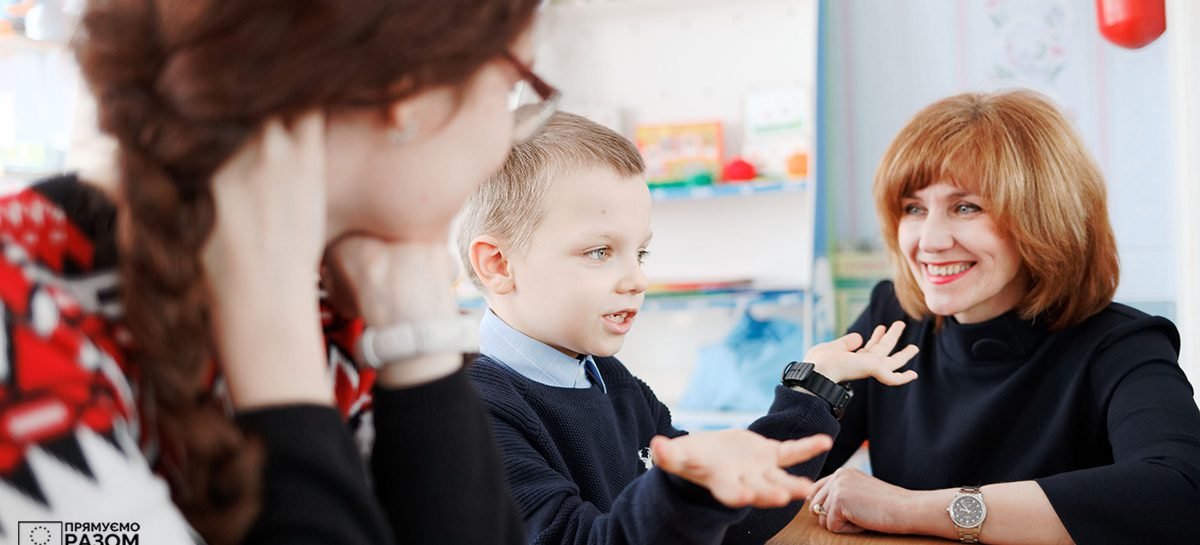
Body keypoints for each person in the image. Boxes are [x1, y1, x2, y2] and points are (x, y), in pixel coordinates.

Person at [0, 1, 548, 544]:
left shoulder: (340, 293)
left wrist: (417, 330)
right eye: (508, 90)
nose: (506, 141)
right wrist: (276, 350)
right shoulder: (13, 321)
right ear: (408, 93)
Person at [457, 111, 921, 545]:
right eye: (599, 252)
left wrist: (814, 388)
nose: (638, 279)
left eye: (640, 254)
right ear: (497, 264)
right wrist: (686, 489)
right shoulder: (475, 418)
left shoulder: (612, 384)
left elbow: (733, 520)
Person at [811, 90, 1200, 544]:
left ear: (1044, 217)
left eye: (966, 207)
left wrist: (906, 509)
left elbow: (1181, 494)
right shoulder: (890, 317)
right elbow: (768, 478)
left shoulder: (1120, 344)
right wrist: (807, 388)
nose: (930, 240)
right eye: (914, 208)